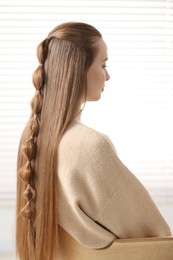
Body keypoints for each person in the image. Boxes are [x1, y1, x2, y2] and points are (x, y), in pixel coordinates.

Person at [16, 22, 171, 260]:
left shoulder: (33, 138)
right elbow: (156, 237)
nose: (108, 75)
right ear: (78, 69)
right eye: (103, 64)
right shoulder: (90, 146)